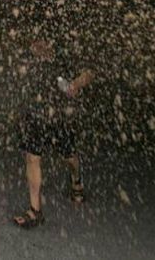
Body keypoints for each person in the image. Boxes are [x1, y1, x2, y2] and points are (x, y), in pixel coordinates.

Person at [13, 40, 95, 229]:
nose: (38, 45)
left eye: (42, 43)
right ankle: (35, 211)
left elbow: (89, 72)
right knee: (32, 157)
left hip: (60, 115)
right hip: (34, 112)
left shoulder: (65, 48)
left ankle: (77, 182)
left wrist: (76, 84)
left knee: (69, 156)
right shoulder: (28, 45)